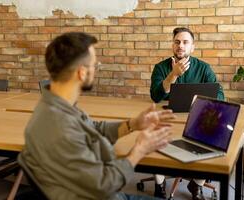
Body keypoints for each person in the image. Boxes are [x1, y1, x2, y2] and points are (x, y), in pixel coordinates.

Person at [18, 32, 176, 200]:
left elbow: (93, 129)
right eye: (95, 65)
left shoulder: (57, 104)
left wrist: (134, 124)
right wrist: (139, 150)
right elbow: (104, 185)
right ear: (82, 73)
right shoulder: (59, 126)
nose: (96, 69)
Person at [150, 27, 225, 200]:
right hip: (168, 117)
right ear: (172, 45)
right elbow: (155, 96)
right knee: (154, 135)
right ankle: (159, 183)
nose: (180, 46)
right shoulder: (160, 68)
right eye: (177, 42)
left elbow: (219, 94)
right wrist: (173, 75)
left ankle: (197, 184)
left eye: (185, 42)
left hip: (197, 117)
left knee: (211, 137)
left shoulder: (204, 68)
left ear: (192, 47)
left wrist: (201, 101)